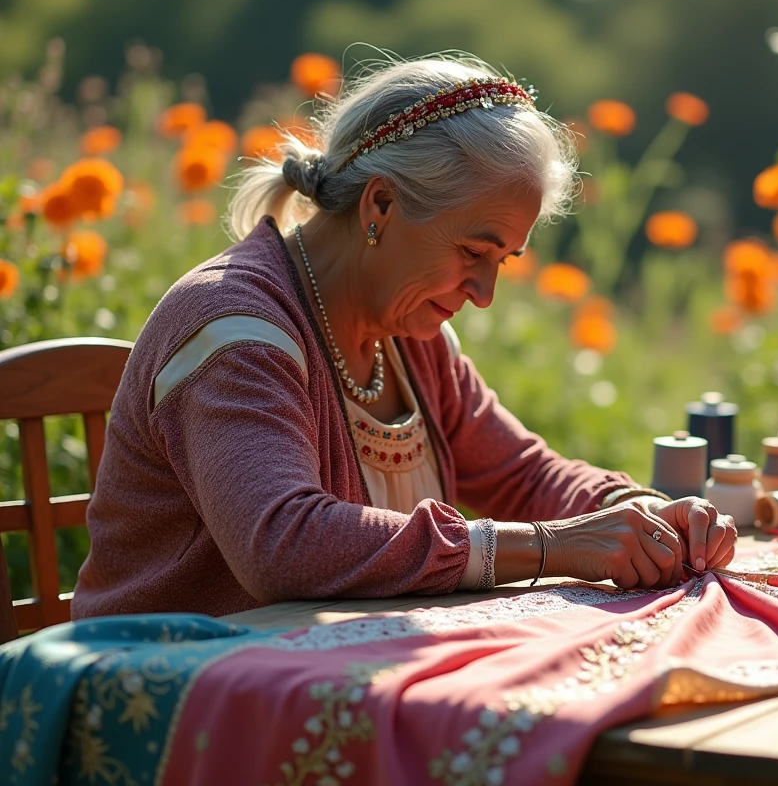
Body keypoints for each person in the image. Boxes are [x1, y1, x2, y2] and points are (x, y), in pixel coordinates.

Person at [72, 54, 737, 619]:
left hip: (315, 687)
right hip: (171, 703)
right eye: (475, 251)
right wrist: (549, 545)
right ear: (381, 206)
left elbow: (523, 473)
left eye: (501, 261)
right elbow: (284, 545)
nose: (484, 293)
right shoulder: (233, 328)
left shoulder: (409, 334)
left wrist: (641, 512)